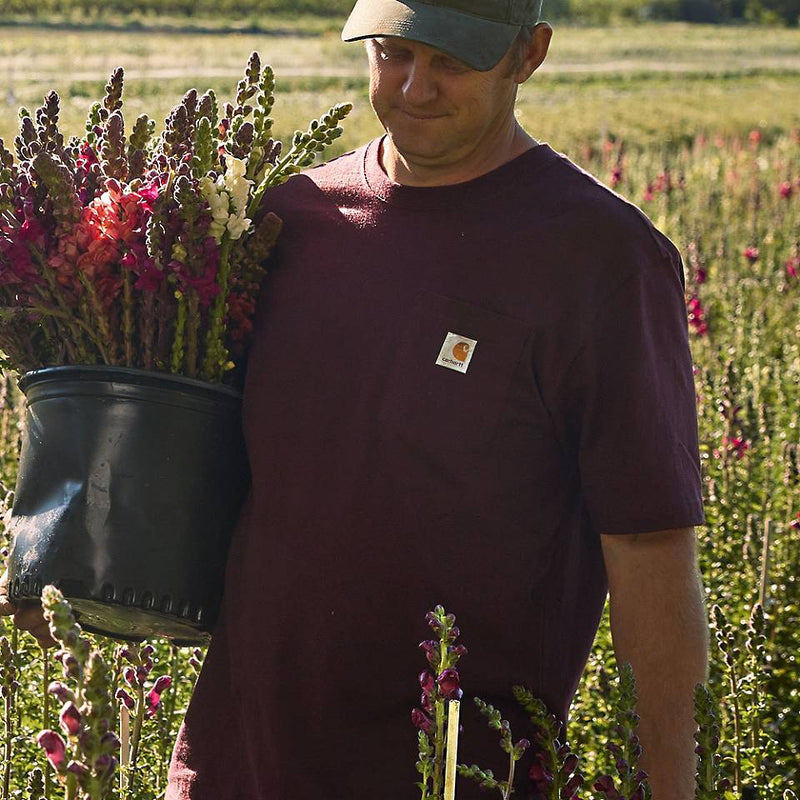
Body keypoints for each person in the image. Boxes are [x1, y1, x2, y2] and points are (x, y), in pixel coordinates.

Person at [3, 1, 709, 798]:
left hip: (448, 771)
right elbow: (185, 454)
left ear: (529, 55)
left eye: (453, 60)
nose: (415, 86)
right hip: (234, 764)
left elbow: (650, 549)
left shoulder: (602, 260)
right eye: (394, 52)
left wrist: (673, 781)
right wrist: (59, 560)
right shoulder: (290, 222)